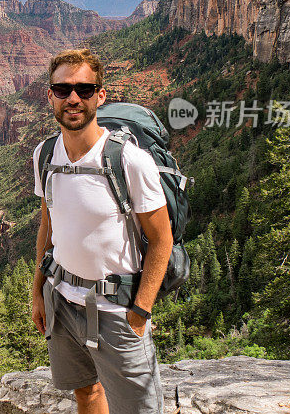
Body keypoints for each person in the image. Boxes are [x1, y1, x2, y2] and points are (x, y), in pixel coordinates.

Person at [31, 48, 173, 414]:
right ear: (50, 95)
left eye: (84, 89)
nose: (73, 98)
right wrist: (38, 292)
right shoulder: (44, 155)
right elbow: (48, 224)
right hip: (61, 302)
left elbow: (162, 240)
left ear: (100, 96)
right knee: (86, 394)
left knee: (139, 410)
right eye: (62, 90)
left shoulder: (128, 160)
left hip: (117, 311)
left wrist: (140, 311)